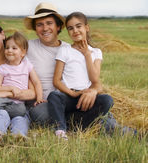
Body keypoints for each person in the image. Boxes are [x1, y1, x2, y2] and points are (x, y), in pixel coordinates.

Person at [25, 3, 136, 136]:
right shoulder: (27, 47)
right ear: (35, 28)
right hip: (45, 103)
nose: (45, 28)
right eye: (39, 24)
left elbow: (95, 82)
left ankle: (79, 124)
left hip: (74, 100)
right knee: (40, 113)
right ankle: (89, 123)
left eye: (49, 23)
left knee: (103, 103)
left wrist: (93, 92)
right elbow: (3, 53)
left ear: (58, 26)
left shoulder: (69, 49)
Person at [47, 12, 113, 140]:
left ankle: (79, 125)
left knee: (107, 100)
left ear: (86, 28)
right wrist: (72, 94)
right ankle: (60, 131)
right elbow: (56, 81)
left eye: (78, 26)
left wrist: (87, 54)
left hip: (86, 97)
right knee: (54, 96)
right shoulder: (65, 50)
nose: (75, 31)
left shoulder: (96, 52)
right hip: (68, 97)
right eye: (70, 28)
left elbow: (95, 80)